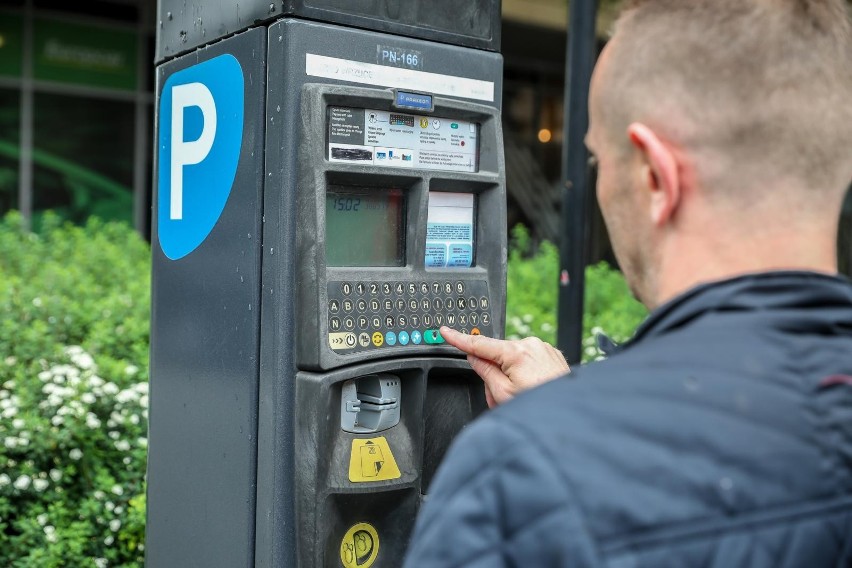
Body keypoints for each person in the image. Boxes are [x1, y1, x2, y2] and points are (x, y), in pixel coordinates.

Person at [404, 0, 852, 565]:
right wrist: (567, 407)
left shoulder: (521, 478)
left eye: (597, 161)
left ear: (655, 177)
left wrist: (563, 433)